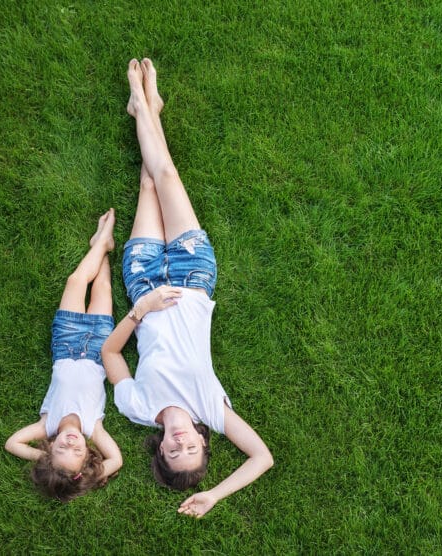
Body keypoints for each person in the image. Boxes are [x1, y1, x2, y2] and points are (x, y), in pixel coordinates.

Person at [102, 58, 273, 518]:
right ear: (202, 439)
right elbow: (262, 457)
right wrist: (214, 495)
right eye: (191, 449)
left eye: (173, 453)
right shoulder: (213, 410)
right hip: (194, 276)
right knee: (168, 178)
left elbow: (111, 356)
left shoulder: (138, 409)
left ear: (160, 449)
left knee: (148, 187)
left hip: (144, 283)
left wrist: (141, 310)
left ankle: (148, 109)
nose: (181, 444)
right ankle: (144, 107)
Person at [5, 209, 123, 502]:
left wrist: (44, 459)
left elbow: (12, 443)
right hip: (99, 347)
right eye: (77, 451)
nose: (71, 443)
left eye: (61, 449)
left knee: (76, 281)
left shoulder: (47, 425)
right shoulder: (93, 428)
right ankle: (102, 245)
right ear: (88, 454)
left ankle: (102, 242)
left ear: (50, 446)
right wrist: (91, 474)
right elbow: (117, 460)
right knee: (102, 287)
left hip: (66, 343)